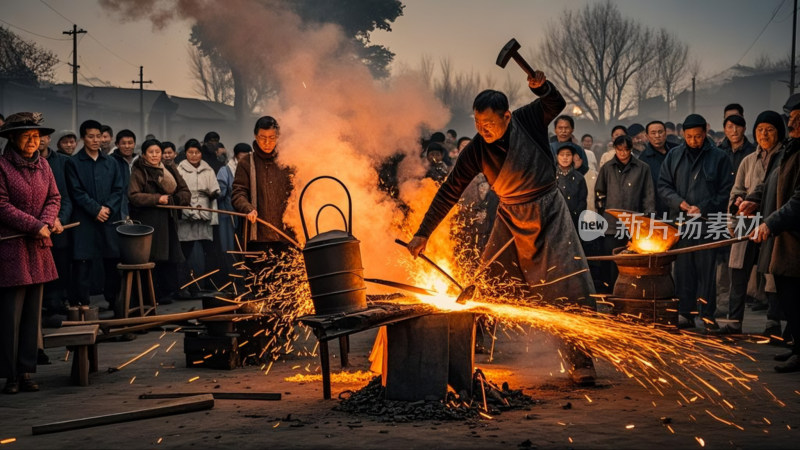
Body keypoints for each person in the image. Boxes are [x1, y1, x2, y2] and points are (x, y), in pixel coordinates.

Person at [406, 71, 597, 385]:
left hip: (549, 213)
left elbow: (556, 102)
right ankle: (467, 347)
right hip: (510, 219)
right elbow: (449, 190)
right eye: (478, 124)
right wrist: (423, 232)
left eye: (489, 124)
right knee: (488, 280)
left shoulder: (528, 119)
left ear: (507, 116)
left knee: (567, 288)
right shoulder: (477, 150)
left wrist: (542, 87)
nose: (483, 130)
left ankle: (581, 361)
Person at [0, 112, 62, 394]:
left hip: (37, 249)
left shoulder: (44, 166)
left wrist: (48, 221)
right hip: (11, 249)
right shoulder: (1, 166)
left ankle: (26, 371)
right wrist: (35, 225)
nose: (32, 141)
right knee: (10, 314)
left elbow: (54, 197)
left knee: (31, 315)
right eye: (26, 136)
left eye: (36, 136)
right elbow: (1, 205)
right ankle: (10, 374)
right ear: (12, 138)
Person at [658, 114, 734, 330]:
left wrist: (704, 206)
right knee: (683, 270)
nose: (694, 141)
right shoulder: (674, 156)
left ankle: (708, 314)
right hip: (682, 223)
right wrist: (680, 203)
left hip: (707, 223)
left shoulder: (718, 157)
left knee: (707, 271)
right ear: (683, 134)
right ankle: (685, 313)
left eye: (698, 136)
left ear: (706, 132)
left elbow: (726, 190)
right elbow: (663, 186)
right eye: (689, 137)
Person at [721, 111, 785, 335]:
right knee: (738, 271)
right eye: (760, 130)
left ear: (779, 133)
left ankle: (773, 322)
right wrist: (737, 203)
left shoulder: (785, 158)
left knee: (772, 274)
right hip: (746, 222)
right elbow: (735, 192)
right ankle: (734, 321)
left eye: (770, 130)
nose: (764, 134)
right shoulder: (749, 161)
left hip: (773, 223)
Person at [747, 102, 800, 372]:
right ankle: (796, 346)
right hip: (783, 235)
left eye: (797, 119)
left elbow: (799, 199)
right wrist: (753, 200)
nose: (792, 124)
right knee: (786, 288)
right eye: (791, 118)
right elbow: (771, 183)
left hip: (795, 237)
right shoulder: (791, 150)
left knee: (794, 292)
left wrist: (771, 222)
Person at [65, 120, 123, 312]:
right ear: (83, 138)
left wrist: (107, 208)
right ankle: (82, 304)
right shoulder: (73, 163)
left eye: (99, 136)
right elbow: (76, 191)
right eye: (91, 136)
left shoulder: (111, 162)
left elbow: (118, 189)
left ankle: (114, 302)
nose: (96, 140)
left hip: (108, 219)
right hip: (84, 220)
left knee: (112, 260)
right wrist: (95, 209)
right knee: (83, 261)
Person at [128, 139, 191, 303]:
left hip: (169, 220)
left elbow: (184, 190)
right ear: (143, 155)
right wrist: (157, 199)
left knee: (168, 257)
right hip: (149, 222)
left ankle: (165, 293)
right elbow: (134, 196)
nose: (155, 155)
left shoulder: (169, 169)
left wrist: (176, 199)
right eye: (151, 152)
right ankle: (151, 295)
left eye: (157, 152)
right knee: (153, 257)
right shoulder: (139, 171)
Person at [595, 135, 656, 290]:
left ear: (631, 149)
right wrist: (603, 213)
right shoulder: (607, 167)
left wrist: (648, 220)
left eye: (626, 150)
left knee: (633, 262)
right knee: (611, 262)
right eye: (619, 149)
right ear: (615, 149)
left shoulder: (642, 168)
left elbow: (648, 196)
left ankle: (630, 293)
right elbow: (599, 193)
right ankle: (611, 295)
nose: (622, 153)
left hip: (634, 225)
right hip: (611, 224)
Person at [232, 116, 296, 254]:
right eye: (262, 137)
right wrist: (247, 208)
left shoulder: (288, 161)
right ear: (255, 136)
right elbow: (238, 192)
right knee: (258, 275)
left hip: (286, 235)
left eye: (272, 138)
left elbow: (298, 190)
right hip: (258, 237)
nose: (267, 142)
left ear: (278, 137)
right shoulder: (246, 162)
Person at [176, 139, 220, 296]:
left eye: (197, 152)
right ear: (185, 153)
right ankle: (183, 287)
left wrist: (212, 193)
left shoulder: (208, 170)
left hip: (205, 214)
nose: (194, 156)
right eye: (190, 152)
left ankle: (209, 284)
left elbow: (216, 189)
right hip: (186, 215)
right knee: (185, 252)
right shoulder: (179, 169)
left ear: (201, 153)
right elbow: (176, 191)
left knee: (209, 251)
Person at [38, 131, 72, 319]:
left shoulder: (63, 162)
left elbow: (66, 196)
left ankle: (58, 303)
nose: (40, 140)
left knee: (61, 265)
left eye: (44, 136)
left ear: (49, 139)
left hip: (58, 226)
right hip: (35, 227)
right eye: (36, 136)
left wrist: (60, 219)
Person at [217, 142, 252, 279]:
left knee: (245, 247)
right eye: (242, 156)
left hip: (247, 214)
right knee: (230, 247)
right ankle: (233, 278)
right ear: (236, 156)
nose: (245, 159)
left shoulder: (252, 168)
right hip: (230, 215)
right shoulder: (226, 170)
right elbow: (221, 192)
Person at [639, 121, 671, 217]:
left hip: (680, 206)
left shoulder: (676, 151)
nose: (657, 136)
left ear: (665, 133)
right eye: (653, 133)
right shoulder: (643, 159)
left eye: (660, 132)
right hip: (658, 208)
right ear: (647, 136)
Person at [555, 143, 587, 230]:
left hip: (574, 221)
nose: (565, 158)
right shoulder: (551, 176)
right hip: (554, 220)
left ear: (573, 157)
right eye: (562, 155)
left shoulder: (579, 177)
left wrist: (576, 213)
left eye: (568, 155)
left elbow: (582, 201)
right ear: (557, 157)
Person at [109, 129, 137, 220]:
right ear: (117, 145)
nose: (127, 146)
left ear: (135, 144)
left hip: (137, 205)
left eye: (130, 143)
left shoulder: (139, 161)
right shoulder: (110, 161)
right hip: (118, 206)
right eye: (123, 143)